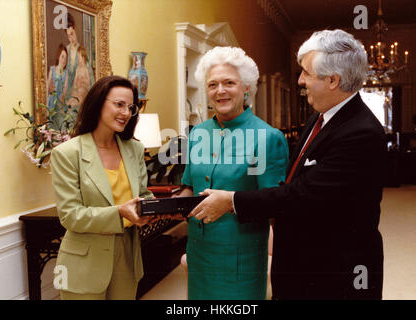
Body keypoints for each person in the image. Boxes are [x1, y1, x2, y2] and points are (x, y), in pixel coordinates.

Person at [190, 30, 387, 300]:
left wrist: (232, 200)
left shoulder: (361, 133)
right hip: (301, 266)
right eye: (212, 84)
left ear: (332, 80)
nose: (300, 80)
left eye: (306, 72)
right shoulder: (320, 118)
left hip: (335, 273)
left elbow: (301, 195)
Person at [177, 46, 289, 299]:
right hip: (198, 251)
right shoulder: (198, 133)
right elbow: (188, 186)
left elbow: (274, 204)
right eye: (213, 84)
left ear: (246, 87)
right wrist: (165, 207)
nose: (220, 91)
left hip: (241, 257)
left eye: (229, 83)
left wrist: (229, 203)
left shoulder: (266, 137)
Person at [50, 75, 155, 300]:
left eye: (131, 107)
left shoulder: (134, 149)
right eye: (119, 104)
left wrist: (155, 208)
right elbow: (70, 215)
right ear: (98, 103)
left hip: (127, 259)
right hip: (83, 265)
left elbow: (143, 194)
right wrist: (119, 212)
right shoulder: (68, 153)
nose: (126, 113)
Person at [47, 43, 69, 130]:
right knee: (50, 124)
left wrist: (61, 103)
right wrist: (51, 88)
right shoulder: (52, 70)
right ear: (58, 56)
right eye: (62, 57)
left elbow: (65, 91)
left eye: (66, 58)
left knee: (60, 124)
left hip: (60, 103)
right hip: (51, 102)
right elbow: (48, 87)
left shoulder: (66, 73)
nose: (64, 60)